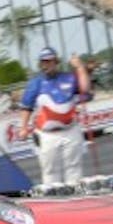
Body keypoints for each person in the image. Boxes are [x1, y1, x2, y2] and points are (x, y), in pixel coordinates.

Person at [17, 47, 91, 186]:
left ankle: (76, 200)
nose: (45, 65)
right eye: (43, 62)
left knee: (74, 169)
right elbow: (26, 106)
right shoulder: (35, 83)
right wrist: (23, 127)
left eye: (49, 61)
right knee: (50, 171)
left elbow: (85, 89)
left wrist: (80, 68)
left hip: (71, 130)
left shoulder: (69, 78)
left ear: (56, 62)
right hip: (46, 135)